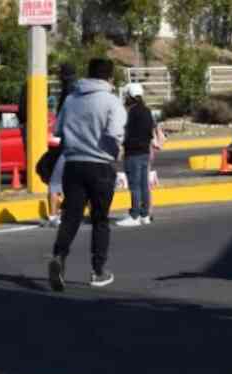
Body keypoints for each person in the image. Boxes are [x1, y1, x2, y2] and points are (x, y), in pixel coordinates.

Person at [47, 58, 126, 291]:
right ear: (109, 78)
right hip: (101, 167)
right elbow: (114, 133)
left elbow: (58, 131)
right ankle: (98, 271)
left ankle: (59, 257)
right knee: (100, 220)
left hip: (73, 165)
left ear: (88, 74)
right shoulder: (112, 102)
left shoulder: (71, 99)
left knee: (71, 217)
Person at [43, 63, 78, 228]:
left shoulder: (67, 93)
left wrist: (57, 133)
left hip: (67, 145)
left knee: (54, 182)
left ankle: (53, 216)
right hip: (83, 145)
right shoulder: (80, 91)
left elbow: (60, 124)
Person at [117, 83, 156, 227]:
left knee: (134, 186)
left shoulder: (130, 112)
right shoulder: (147, 111)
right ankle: (144, 214)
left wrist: (121, 147)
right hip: (144, 152)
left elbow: (124, 133)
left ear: (130, 96)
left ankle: (134, 215)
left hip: (132, 153)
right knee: (144, 185)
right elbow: (150, 133)